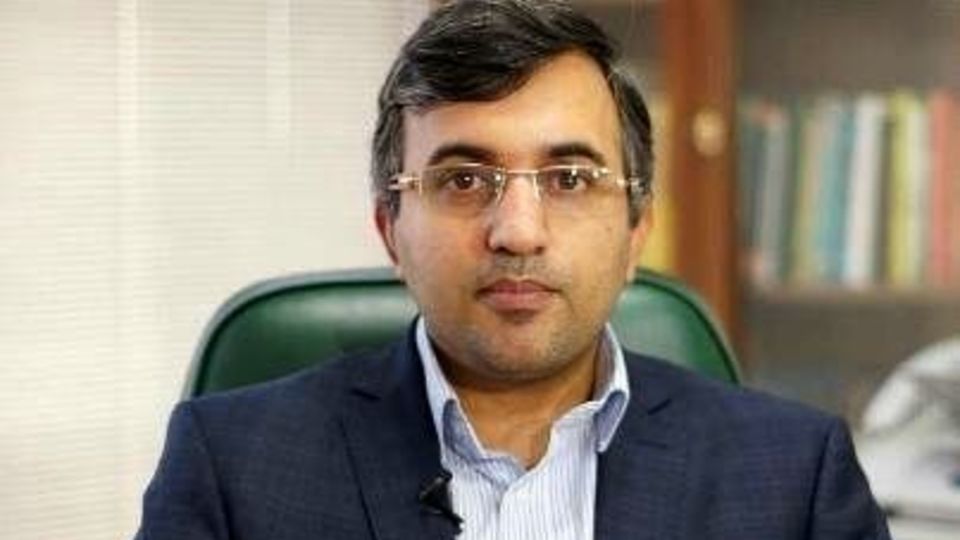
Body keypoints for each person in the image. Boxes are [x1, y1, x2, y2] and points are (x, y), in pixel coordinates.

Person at [135, 1, 891, 538]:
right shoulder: (231, 467)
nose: (518, 231)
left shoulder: (795, 477)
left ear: (637, 232)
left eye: (570, 179)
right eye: (465, 179)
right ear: (391, 231)